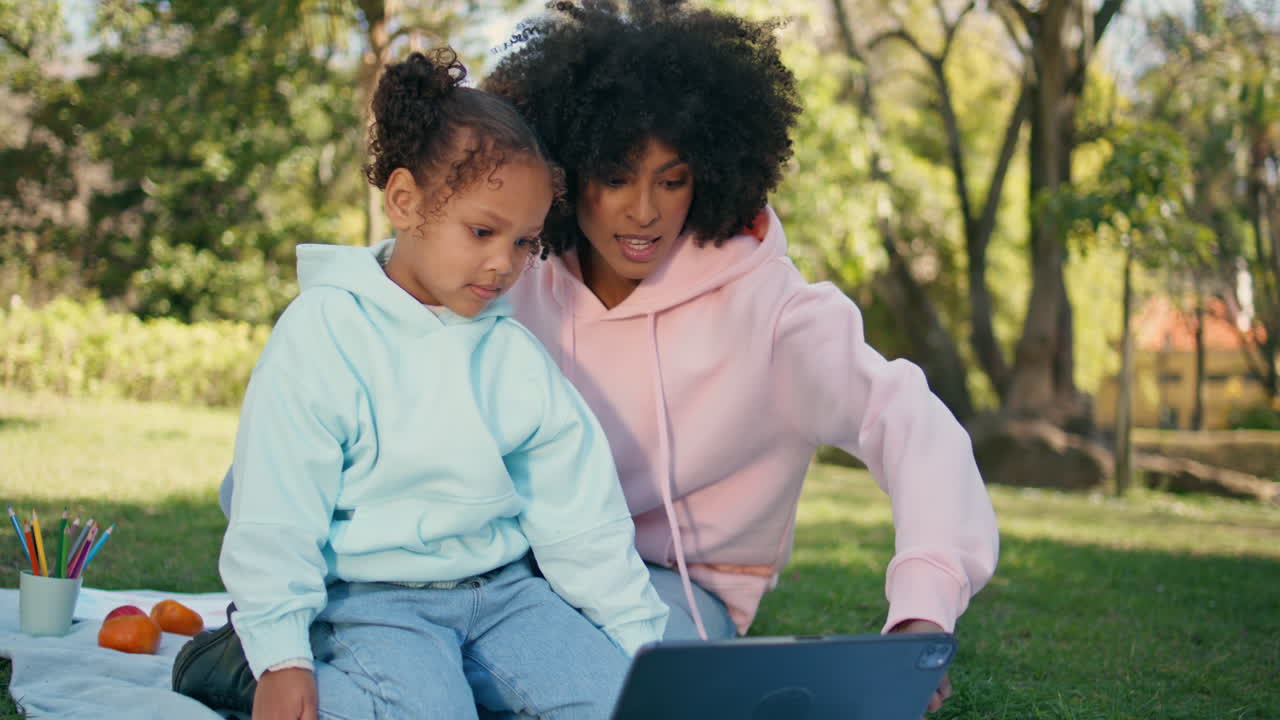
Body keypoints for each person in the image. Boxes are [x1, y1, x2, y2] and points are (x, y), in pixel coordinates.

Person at [194, 0, 998, 714]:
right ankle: (278, 660)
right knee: (423, 683)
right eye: (613, 176)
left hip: (646, 582)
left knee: (645, 699)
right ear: (567, 172)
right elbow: (384, 317)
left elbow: (907, 422)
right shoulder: (509, 269)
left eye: (673, 180)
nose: (642, 210)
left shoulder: (778, 312)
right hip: (483, 565)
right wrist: (279, 617)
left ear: (711, 176)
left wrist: (923, 604)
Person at [188, 48, 669, 720]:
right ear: (406, 201)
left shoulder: (512, 356)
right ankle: (239, 664)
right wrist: (281, 655)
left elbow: (583, 521)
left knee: (621, 705)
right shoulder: (326, 332)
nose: (505, 264)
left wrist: (645, 653)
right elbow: (276, 508)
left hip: (504, 596)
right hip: (371, 597)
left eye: (526, 242)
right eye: (481, 231)